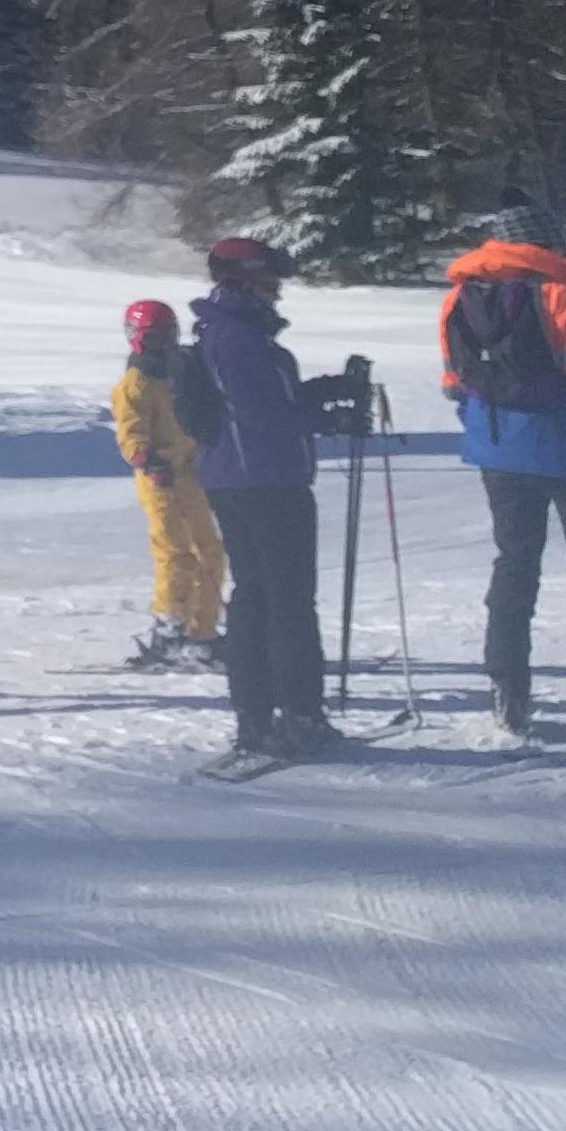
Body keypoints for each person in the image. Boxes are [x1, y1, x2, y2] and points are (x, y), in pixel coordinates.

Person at [437, 198, 566, 743]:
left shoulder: (459, 296)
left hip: (498, 454)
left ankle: (508, 694)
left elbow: (455, 384)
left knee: (514, 565)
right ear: (546, 241)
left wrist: (491, 435)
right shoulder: (556, 293)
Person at [193, 235, 340, 761]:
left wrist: (322, 392)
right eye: (270, 278)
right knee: (286, 600)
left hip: (242, 478)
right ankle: (296, 715)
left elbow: (264, 401)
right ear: (246, 279)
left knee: (259, 595)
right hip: (264, 481)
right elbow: (262, 413)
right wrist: (323, 416)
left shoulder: (233, 332)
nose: (277, 289)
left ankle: (259, 717)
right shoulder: (237, 336)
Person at [110, 297, 224, 668]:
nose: (162, 346)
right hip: (158, 477)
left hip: (190, 472)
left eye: (168, 337)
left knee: (209, 550)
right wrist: (146, 458)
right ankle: (169, 624)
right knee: (174, 551)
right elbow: (130, 431)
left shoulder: (180, 374)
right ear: (136, 337)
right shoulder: (135, 383)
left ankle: (202, 629)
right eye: (154, 338)